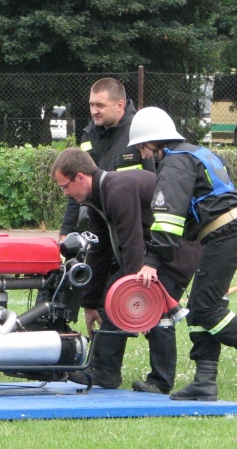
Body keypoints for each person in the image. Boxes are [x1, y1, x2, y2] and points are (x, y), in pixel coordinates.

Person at [129, 106, 237, 401]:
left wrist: (151, 262)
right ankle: (204, 381)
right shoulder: (195, 153)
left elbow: (167, 219)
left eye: (141, 146)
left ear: (155, 140)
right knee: (201, 307)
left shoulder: (174, 163)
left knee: (205, 308)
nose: (142, 153)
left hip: (224, 237)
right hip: (228, 235)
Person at [51, 148, 201, 394]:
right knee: (114, 293)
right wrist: (90, 304)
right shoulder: (98, 198)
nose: (66, 193)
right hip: (152, 253)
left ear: (80, 177)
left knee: (157, 311)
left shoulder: (118, 190)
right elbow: (99, 252)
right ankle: (105, 370)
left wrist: (134, 295)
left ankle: (160, 381)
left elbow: (133, 244)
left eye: (65, 186)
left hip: (175, 252)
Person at [58, 78, 153, 242]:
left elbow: (156, 186)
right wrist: (67, 228)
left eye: (100, 105)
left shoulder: (140, 132)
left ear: (120, 105)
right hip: (99, 225)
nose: (94, 111)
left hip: (136, 227)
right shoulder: (89, 135)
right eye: (91, 105)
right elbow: (76, 183)